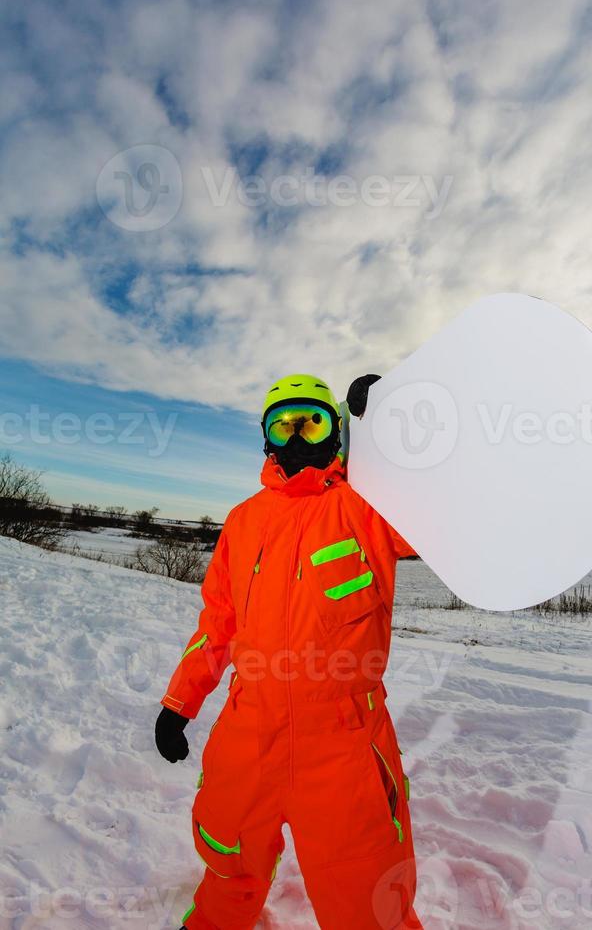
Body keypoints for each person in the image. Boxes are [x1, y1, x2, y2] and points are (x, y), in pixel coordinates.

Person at [155, 373, 423, 930]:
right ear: (265, 437)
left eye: (312, 422)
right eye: (284, 424)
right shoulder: (244, 519)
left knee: (364, 885)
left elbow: (439, 513)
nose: (296, 437)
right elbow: (218, 624)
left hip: (344, 739)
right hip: (248, 728)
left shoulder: (369, 508)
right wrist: (179, 703)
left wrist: (388, 434)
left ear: (336, 433)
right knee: (228, 855)